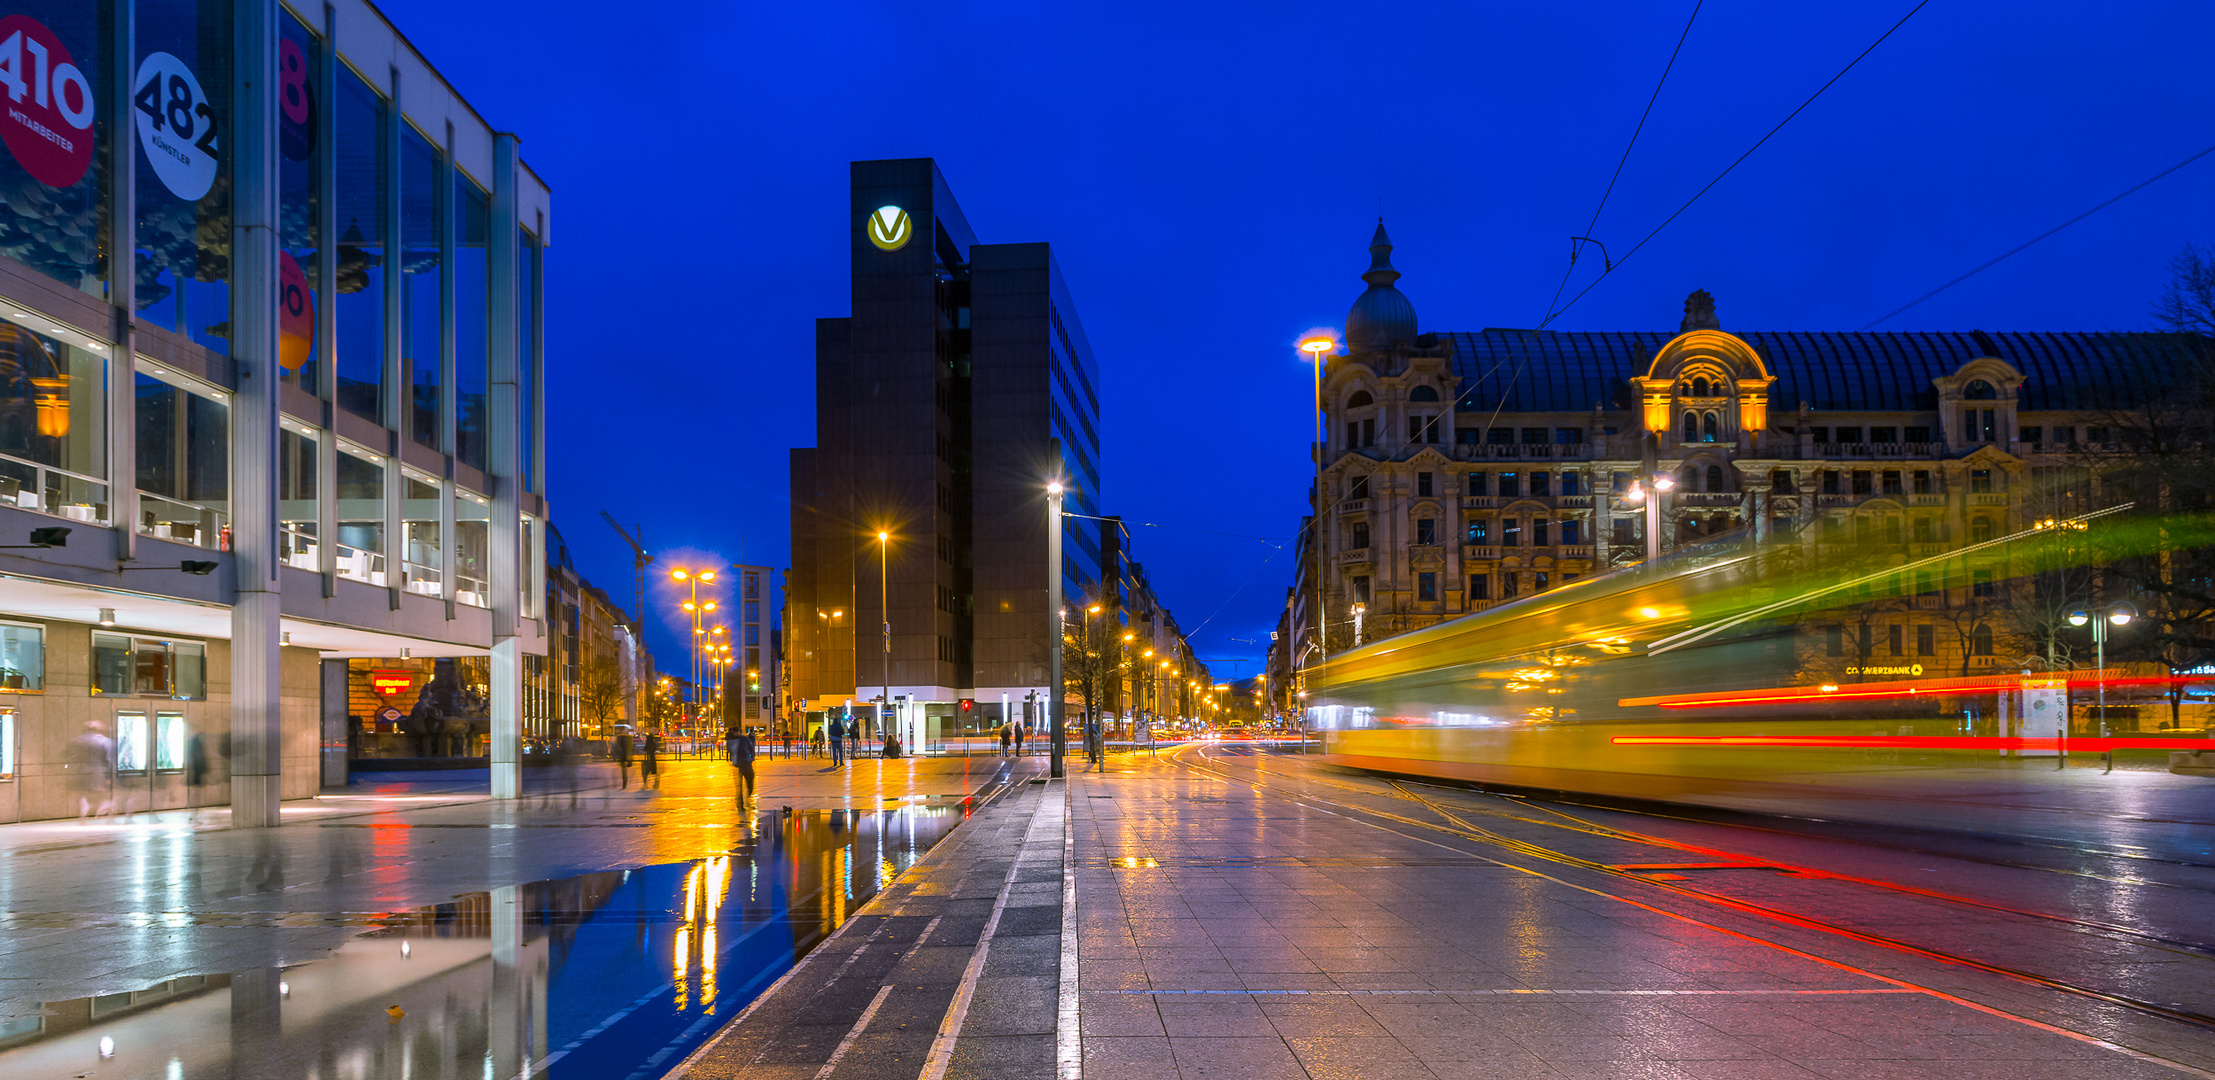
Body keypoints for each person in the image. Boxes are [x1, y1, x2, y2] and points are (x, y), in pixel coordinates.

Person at [69, 720, 117, 821]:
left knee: (83, 793)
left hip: (81, 771)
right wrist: (109, 776)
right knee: (101, 794)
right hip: (98, 772)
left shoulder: (77, 740)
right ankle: (100, 811)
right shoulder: (105, 741)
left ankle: (84, 812)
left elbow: (71, 757)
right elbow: (109, 759)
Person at [185, 731, 211, 821]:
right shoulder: (199, 746)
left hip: (194, 772)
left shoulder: (192, 746)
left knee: (194, 793)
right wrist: (205, 772)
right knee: (196, 794)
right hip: (198, 773)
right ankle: (194, 813)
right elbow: (202, 760)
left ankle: (193, 813)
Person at [730, 724, 758, 803]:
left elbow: (751, 749)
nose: (736, 734)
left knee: (749, 780)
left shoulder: (744, 740)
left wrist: (751, 758)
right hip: (739, 765)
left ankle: (747, 795)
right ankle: (741, 803)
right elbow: (732, 752)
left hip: (746, 763)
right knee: (739, 786)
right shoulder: (734, 740)